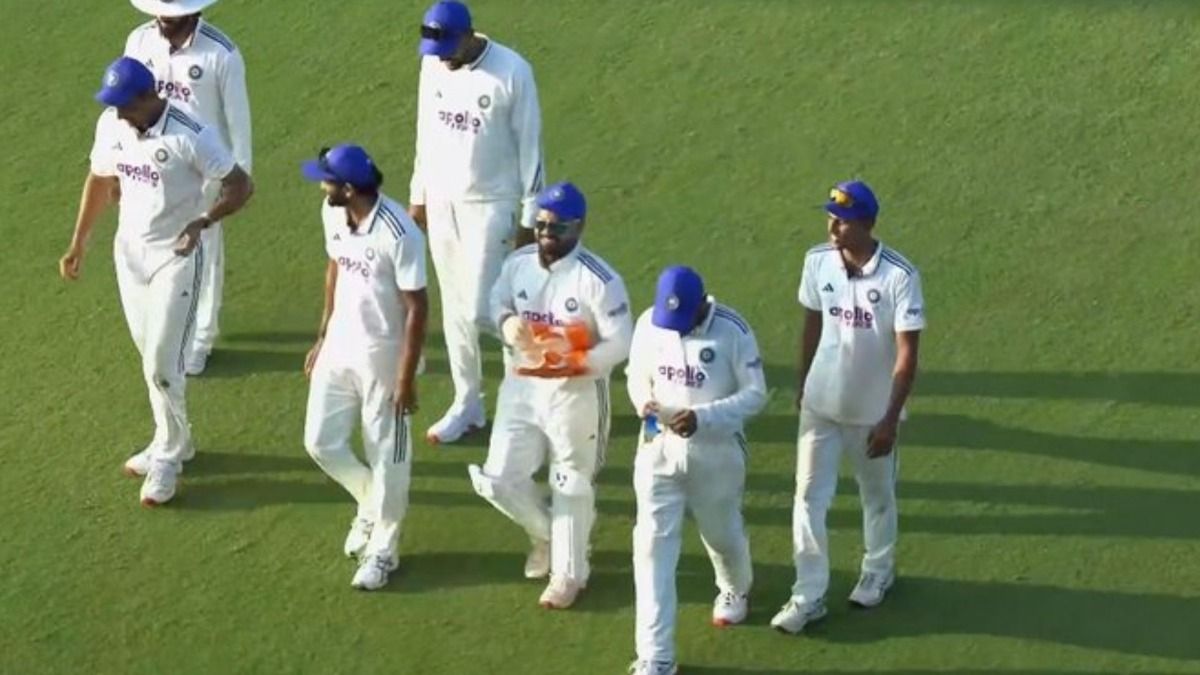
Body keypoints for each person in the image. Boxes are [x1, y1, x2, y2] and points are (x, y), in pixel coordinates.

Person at [59, 56, 253, 505]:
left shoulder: (191, 134)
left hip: (176, 258)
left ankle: (167, 456)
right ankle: (176, 440)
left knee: (161, 365)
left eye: (124, 104)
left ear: (149, 98)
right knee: (152, 359)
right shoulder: (113, 125)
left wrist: (203, 222)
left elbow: (240, 185)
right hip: (129, 257)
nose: (118, 112)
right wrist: (79, 243)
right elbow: (99, 178)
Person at [467, 182, 632, 609]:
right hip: (521, 387)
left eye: (557, 227)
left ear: (579, 227)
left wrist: (577, 359)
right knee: (498, 478)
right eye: (541, 224)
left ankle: (570, 575)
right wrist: (506, 324)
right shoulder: (519, 263)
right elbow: (495, 301)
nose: (546, 233)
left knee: (571, 483)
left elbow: (621, 342)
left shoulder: (599, 279)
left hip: (575, 394)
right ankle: (546, 535)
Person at [771, 180, 925, 634]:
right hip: (820, 407)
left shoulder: (899, 275)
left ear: (868, 223)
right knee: (807, 499)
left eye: (844, 220)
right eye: (831, 217)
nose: (833, 226)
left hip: (871, 413)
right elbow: (812, 322)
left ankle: (878, 569)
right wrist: (803, 383)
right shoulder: (817, 260)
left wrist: (891, 418)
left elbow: (907, 353)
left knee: (876, 497)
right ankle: (808, 593)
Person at [407, 0, 545, 443]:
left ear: (469, 36)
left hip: (492, 203)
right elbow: (424, 131)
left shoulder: (512, 71)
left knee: (484, 309)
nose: (442, 57)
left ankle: (531, 393)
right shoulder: (433, 65)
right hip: (444, 200)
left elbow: (532, 148)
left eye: (448, 47)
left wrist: (529, 214)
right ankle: (469, 403)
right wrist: (419, 193)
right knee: (454, 311)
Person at [625, 266, 767, 675]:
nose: (677, 329)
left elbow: (756, 394)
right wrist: (644, 403)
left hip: (717, 452)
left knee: (720, 534)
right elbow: (637, 375)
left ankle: (735, 589)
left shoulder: (733, 330)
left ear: (701, 304)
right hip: (657, 450)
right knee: (651, 549)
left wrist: (703, 417)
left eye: (683, 321)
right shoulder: (649, 324)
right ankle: (656, 656)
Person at [300, 145, 429, 591]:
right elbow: (335, 268)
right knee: (320, 442)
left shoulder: (401, 233)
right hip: (340, 346)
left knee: (387, 454)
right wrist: (322, 335)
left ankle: (384, 550)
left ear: (349, 189)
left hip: (383, 354)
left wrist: (406, 377)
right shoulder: (332, 213)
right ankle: (371, 505)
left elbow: (417, 307)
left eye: (327, 180)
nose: (321, 186)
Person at [125, 0, 253, 375]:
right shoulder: (139, 41)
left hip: (205, 170)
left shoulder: (222, 54)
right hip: (154, 164)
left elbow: (238, 123)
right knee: (156, 242)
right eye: (160, 15)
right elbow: (126, 106)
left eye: (173, 16)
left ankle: (201, 338)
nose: (164, 22)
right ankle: (168, 325)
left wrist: (240, 180)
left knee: (204, 251)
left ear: (194, 12)